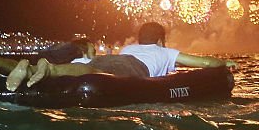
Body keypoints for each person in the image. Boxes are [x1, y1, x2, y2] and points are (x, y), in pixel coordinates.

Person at [19, 21, 237, 88]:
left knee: (93, 64)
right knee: (94, 71)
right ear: (160, 41)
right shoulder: (164, 51)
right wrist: (224, 62)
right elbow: (205, 62)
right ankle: (51, 69)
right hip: (133, 67)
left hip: (116, 59)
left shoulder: (128, 48)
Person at [0, 37, 94, 91]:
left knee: (6, 73)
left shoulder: (60, 48)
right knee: (91, 70)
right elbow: (88, 67)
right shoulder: (82, 53)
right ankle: (46, 68)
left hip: (40, 59)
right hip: (51, 65)